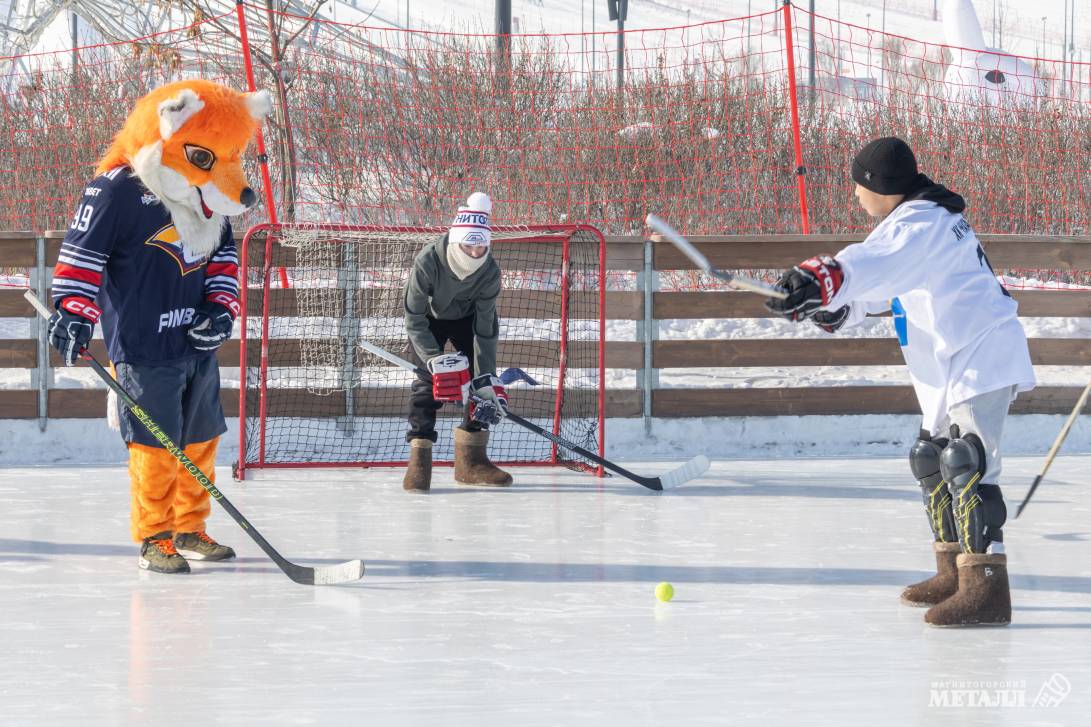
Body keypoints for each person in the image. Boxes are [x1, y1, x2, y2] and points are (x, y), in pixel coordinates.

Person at [765, 136, 1035, 627]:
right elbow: (884, 284)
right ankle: (954, 571)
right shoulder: (917, 222)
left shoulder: (920, 224)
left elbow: (871, 264)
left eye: (858, 186)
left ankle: (987, 590)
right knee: (932, 459)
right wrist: (834, 307)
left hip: (980, 356)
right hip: (950, 362)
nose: (855, 195)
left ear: (879, 185)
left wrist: (819, 278)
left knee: (969, 465)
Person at [48, 80, 271, 574]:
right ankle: (155, 535)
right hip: (145, 344)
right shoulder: (116, 189)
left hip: (194, 340)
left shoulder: (205, 194)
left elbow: (222, 258)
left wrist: (219, 309)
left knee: (202, 437)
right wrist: (72, 309)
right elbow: (82, 255)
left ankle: (191, 526)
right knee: (157, 443)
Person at [401, 192, 512, 492]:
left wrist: (486, 376)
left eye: (482, 247)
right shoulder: (428, 260)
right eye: (469, 245)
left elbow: (486, 327)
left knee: (481, 384)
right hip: (429, 319)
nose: (476, 252)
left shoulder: (490, 272)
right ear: (456, 241)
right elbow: (413, 316)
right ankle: (419, 461)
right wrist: (433, 360)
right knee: (427, 382)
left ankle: (471, 462)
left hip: (468, 320)